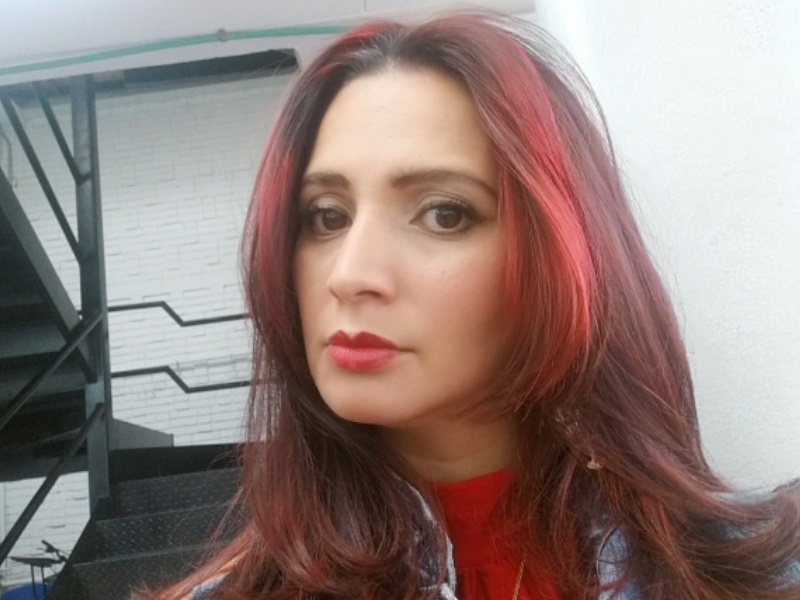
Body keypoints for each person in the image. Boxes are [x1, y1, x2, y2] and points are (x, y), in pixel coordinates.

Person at [142, 10, 800, 600]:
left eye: (444, 213)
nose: (350, 275)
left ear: (561, 251)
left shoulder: (760, 570)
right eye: (326, 216)